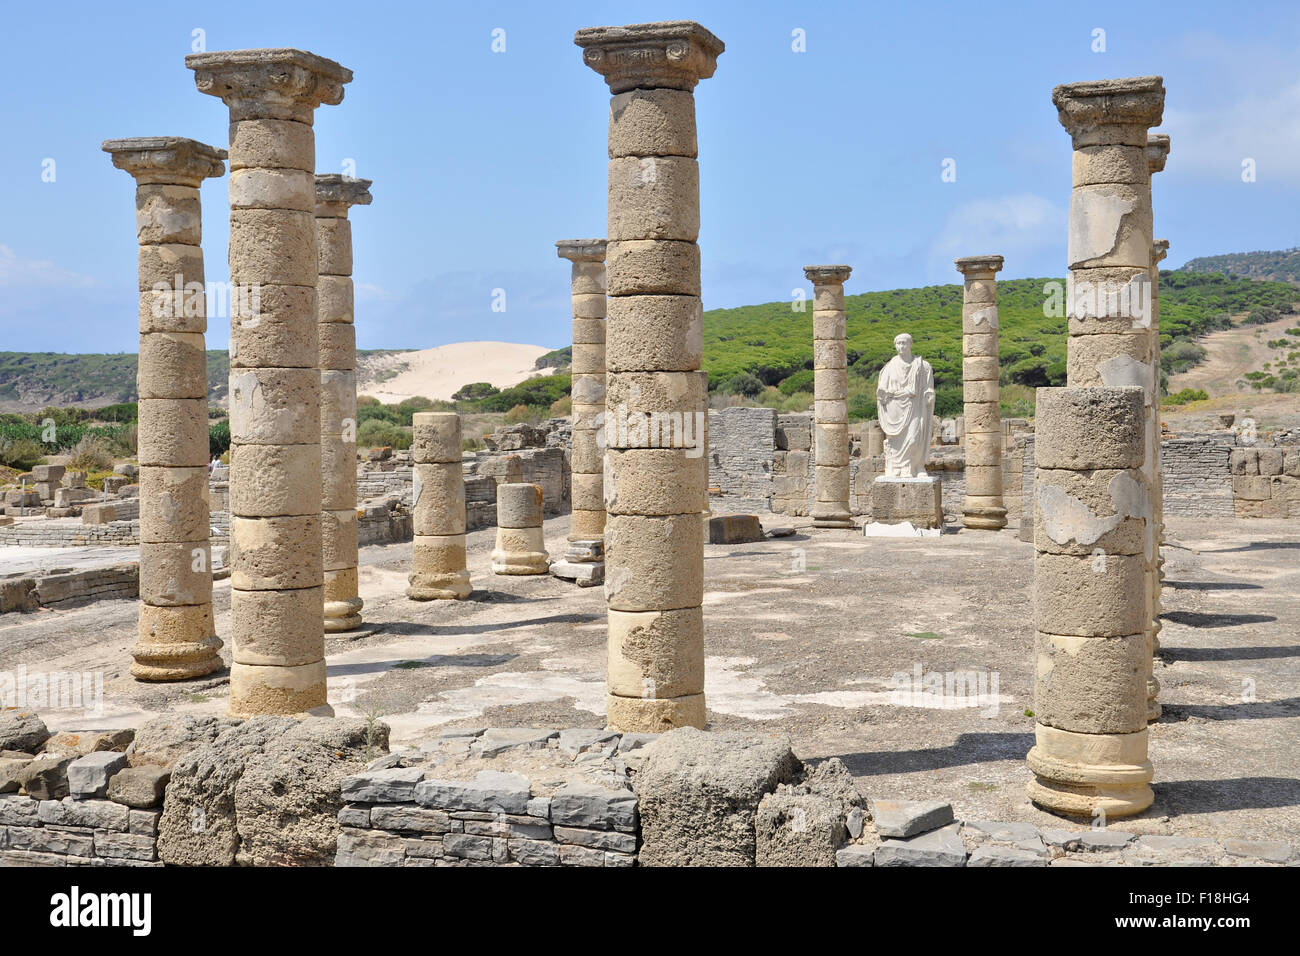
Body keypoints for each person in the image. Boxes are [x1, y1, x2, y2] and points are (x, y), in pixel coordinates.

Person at [875, 332, 935, 478]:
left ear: (910, 344)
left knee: (914, 438)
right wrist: (884, 394)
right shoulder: (889, 367)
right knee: (894, 441)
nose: (901, 346)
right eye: (898, 343)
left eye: (904, 343)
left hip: (915, 407)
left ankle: (917, 465)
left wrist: (929, 395)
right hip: (894, 409)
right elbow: (881, 390)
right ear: (895, 345)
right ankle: (896, 467)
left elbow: (929, 388)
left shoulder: (923, 366)